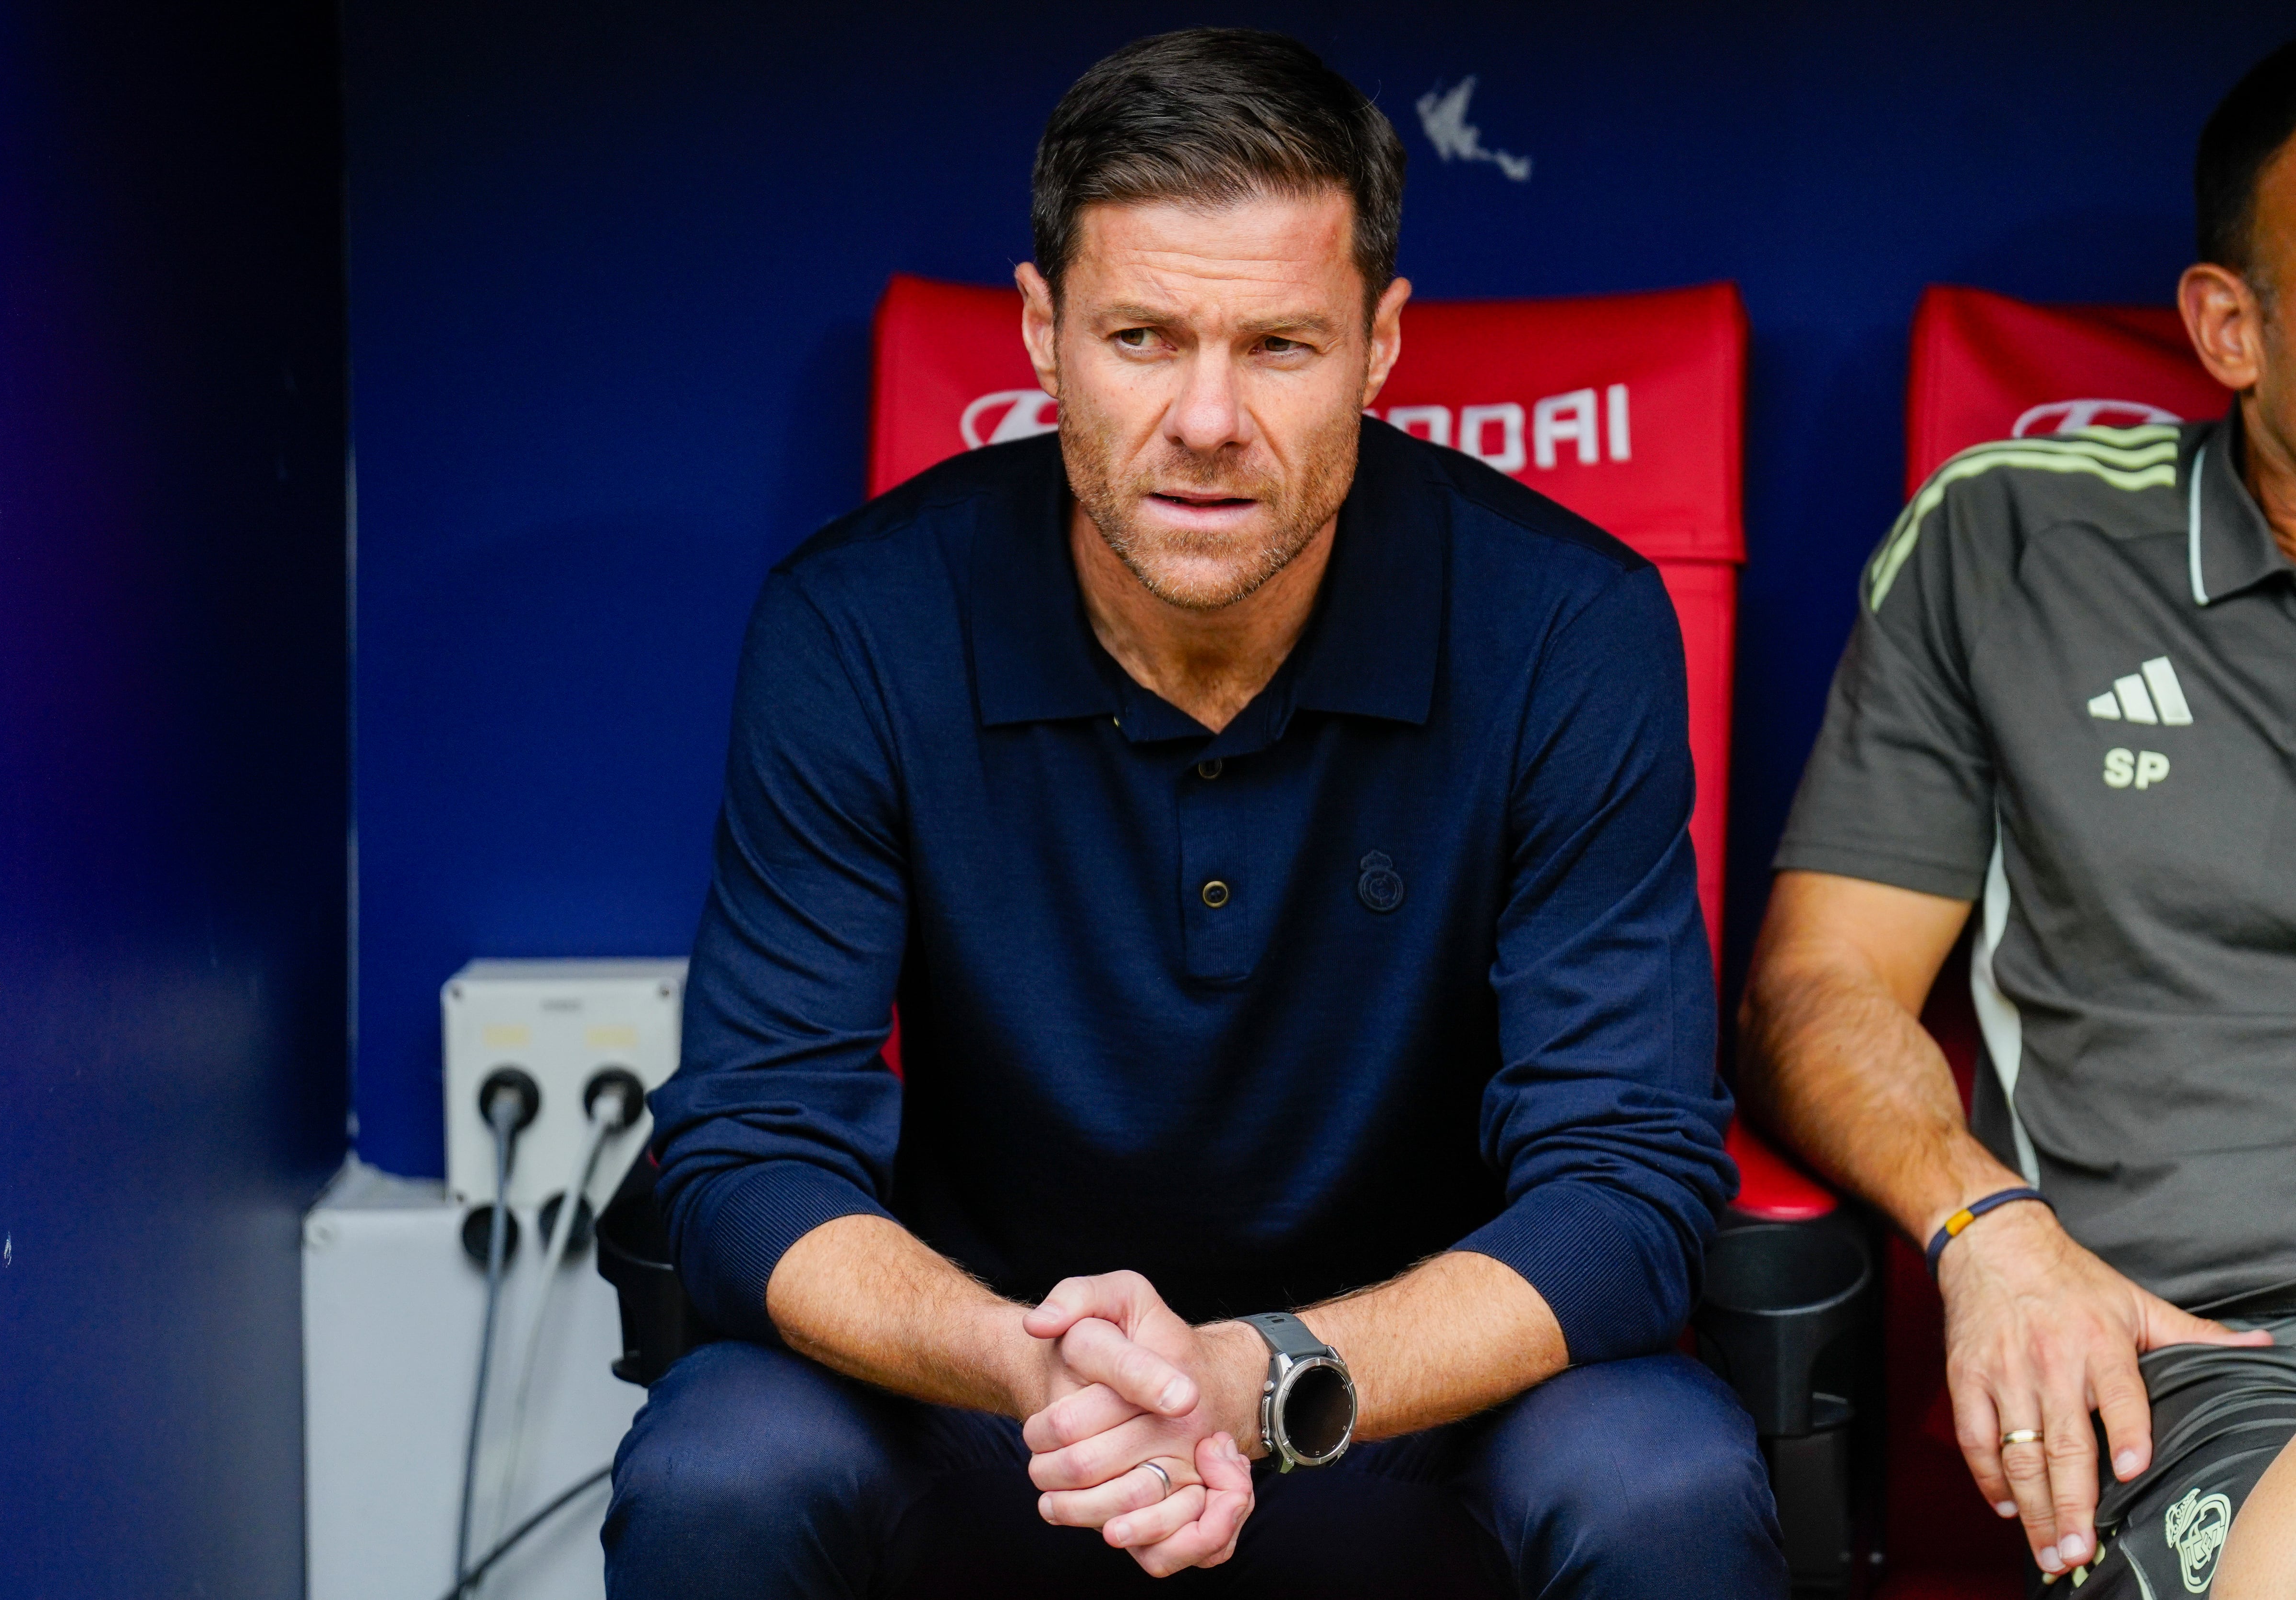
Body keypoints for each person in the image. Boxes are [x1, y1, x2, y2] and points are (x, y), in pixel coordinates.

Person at [607, 27, 1782, 1599]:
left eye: (1282, 347)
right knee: (719, 1459)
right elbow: (752, 1145)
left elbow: (1628, 1183)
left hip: (1391, 1410)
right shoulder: (860, 624)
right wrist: (1031, 1367)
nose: (1210, 421)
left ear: (1379, 347)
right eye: (1145, 338)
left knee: (1664, 1479)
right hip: (1010, 1411)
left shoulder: (1570, 623)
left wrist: (1258, 1374)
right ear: (1042, 333)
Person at [1740, 39, 2296, 1599]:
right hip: (2223, 1354)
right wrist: (1985, 1223)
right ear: (2230, 327)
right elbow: (1814, 993)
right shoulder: (2018, 538)